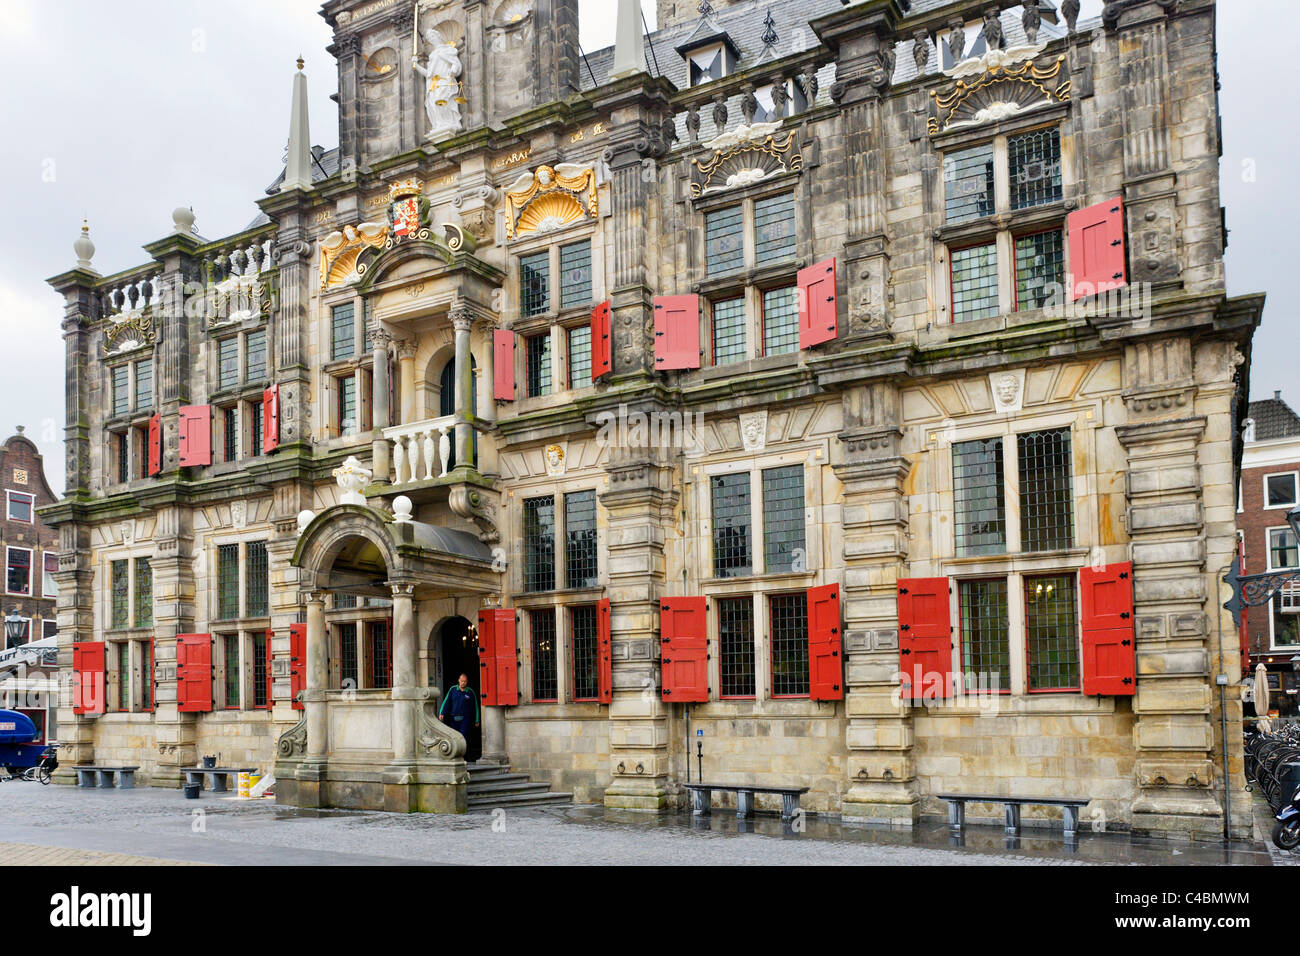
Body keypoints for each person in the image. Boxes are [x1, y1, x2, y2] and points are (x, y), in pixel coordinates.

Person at [439, 673, 479, 743]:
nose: (463, 683)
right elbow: (447, 702)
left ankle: (463, 753)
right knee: (454, 736)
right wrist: (442, 713)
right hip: (453, 717)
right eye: (462, 681)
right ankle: (456, 753)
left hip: (465, 718)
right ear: (459, 680)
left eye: (465, 681)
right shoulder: (453, 689)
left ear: (467, 682)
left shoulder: (470, 692)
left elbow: (475, 706)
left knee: (463, 736)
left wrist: (477, 720)